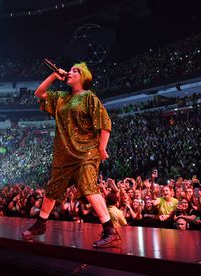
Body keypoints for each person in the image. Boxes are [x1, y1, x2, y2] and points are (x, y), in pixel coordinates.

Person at [22, 62, 119, 248]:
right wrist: (54, 77)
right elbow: (39, 93)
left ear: (84, 77)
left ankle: (109, 231)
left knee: (89, 188)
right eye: (70, 70)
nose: (70, 72)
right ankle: (40, 224)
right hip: (64, 153)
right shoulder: (62, 98)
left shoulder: (89, 97)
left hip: (86, 152)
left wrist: (101, 148)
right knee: (52, 190)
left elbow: (105, 123)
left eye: (75, 70)